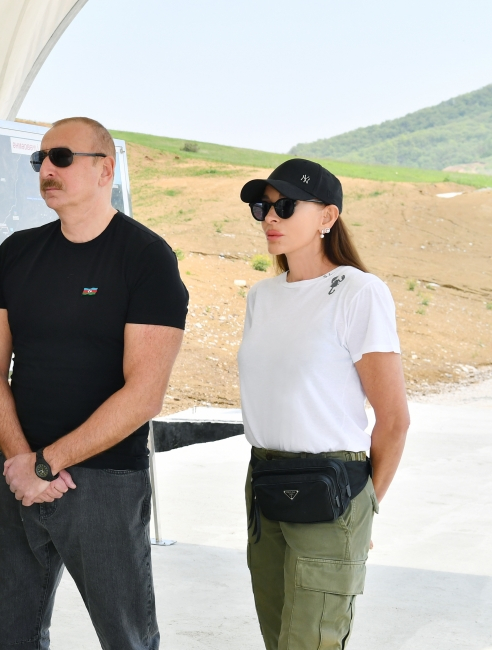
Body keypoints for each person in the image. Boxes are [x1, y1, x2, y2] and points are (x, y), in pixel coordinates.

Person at [0, 117, 189, 650]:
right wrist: (22, 461)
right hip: (19, 476)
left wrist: (47, 463)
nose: (46, 168)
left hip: (104, 483)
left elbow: (145, 394)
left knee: (126, 638)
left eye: (62, 158)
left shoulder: (146, 257)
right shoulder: (17, 252)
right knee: (8, 636)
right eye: (40, 159)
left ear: (105, 170)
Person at [237, 159, 410, 650]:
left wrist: (364, 510)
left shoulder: (359, 292)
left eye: (286, 206)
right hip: (264, 483)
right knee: (278, 640)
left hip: (332, 489)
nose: (271, 217)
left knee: (311, 644)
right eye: (263, 207)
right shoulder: (262, 297)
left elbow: (394, 420)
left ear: (328, 216)